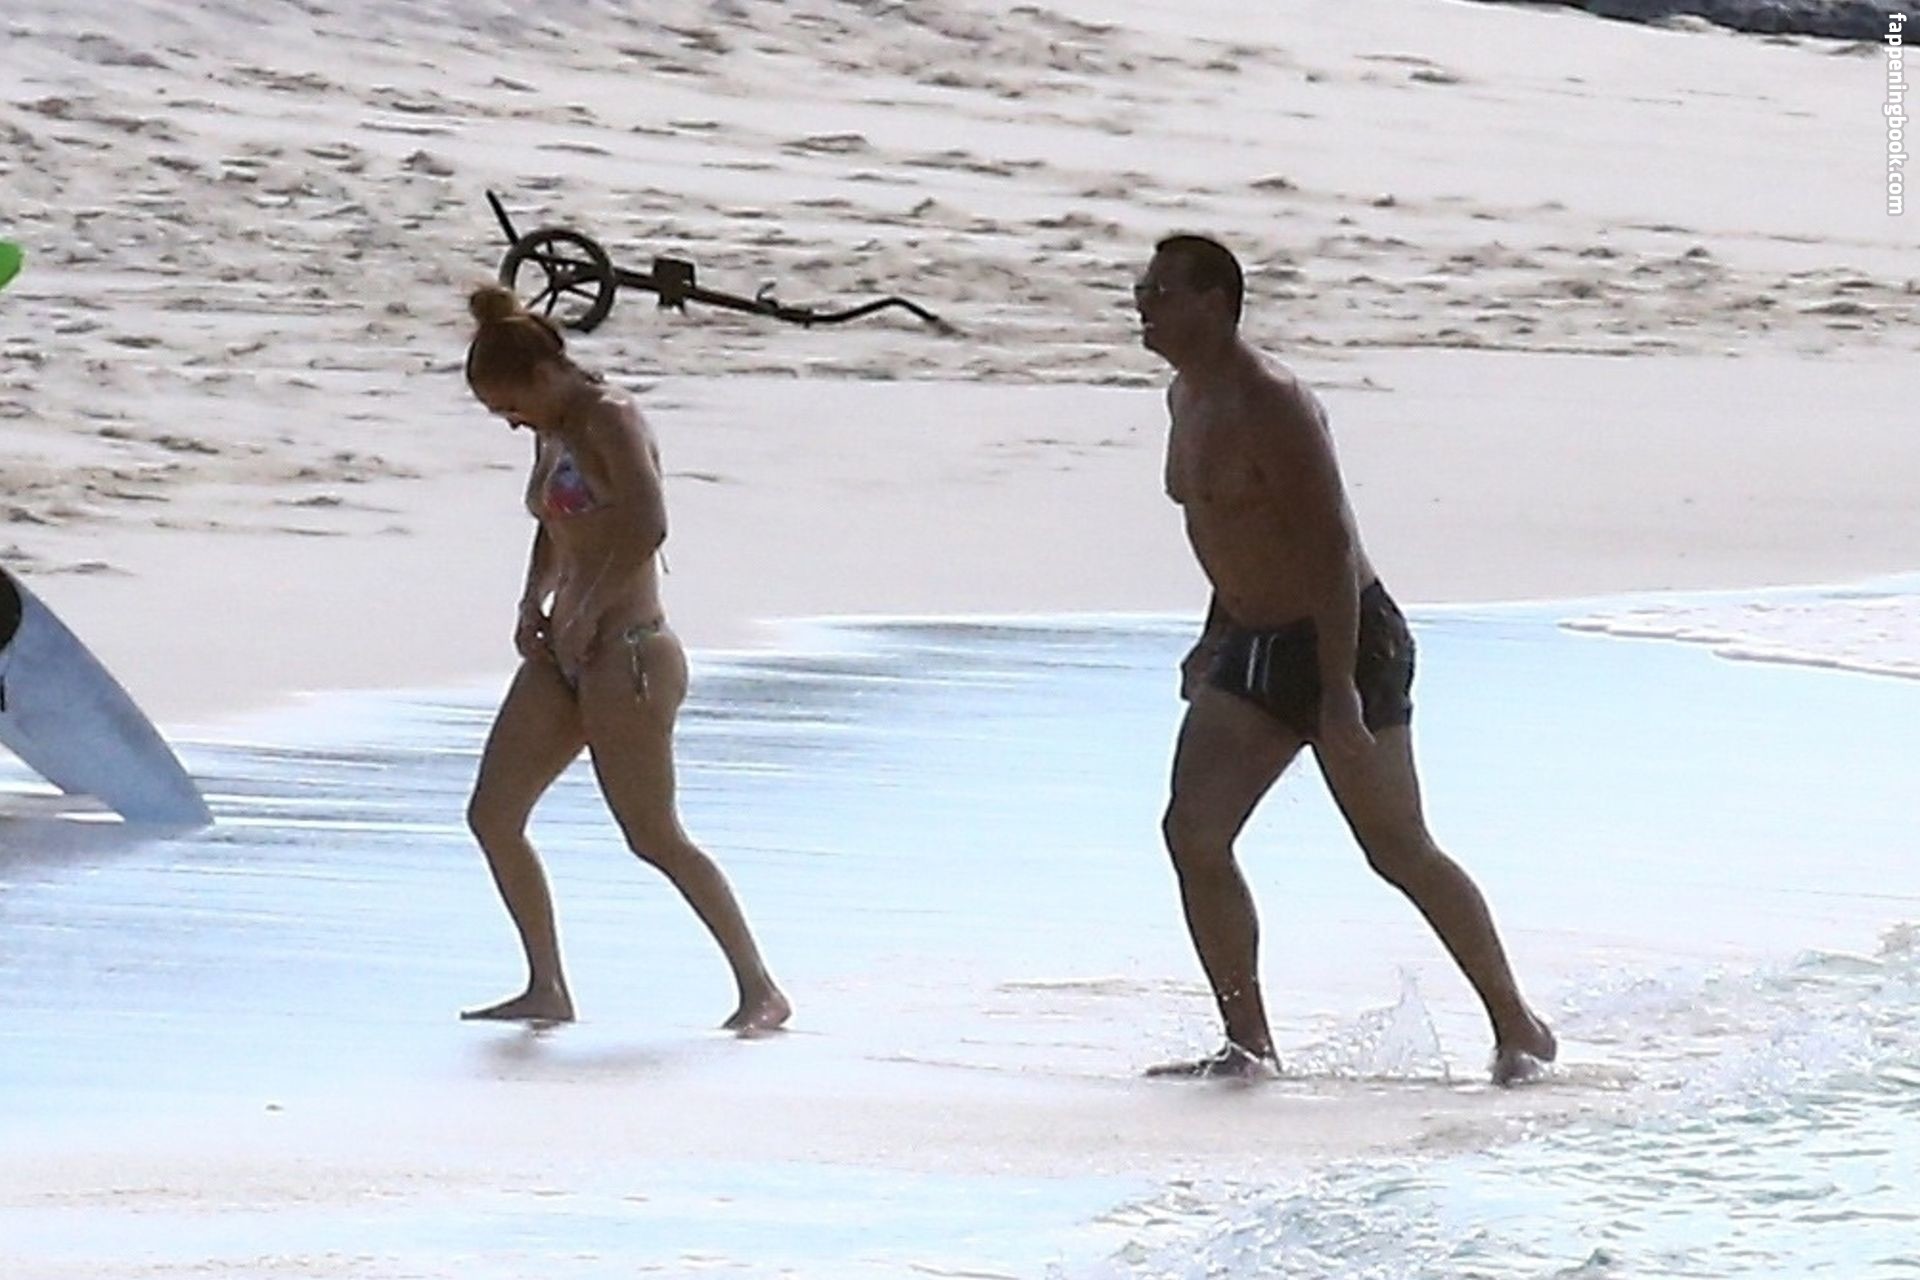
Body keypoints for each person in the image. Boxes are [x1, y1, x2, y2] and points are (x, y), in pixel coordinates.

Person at [1136, 235, 1555, 1084]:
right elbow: (1226, 529)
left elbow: (1327, 545)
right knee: (1193, 832)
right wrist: (1215, 635)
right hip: (1252, 642)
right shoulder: (1185, 396)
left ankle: (1520, 1027)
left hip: (1348, 641)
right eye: (1141, 291)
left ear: (1215, 302)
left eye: (1160, 292)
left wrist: (1336, 692)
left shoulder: (1274, 402)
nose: (1142, 306)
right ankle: (1249, 1046)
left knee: (1396, 847)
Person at [458, 284, 789, 1033]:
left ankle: (760, 989)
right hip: (563, 654)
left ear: (544, 376)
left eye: (511, 405)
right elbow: (553, 524)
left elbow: (647, 523)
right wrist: (533, 602)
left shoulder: (611, 418)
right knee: (493, 815)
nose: (510, 421)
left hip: (629, 652)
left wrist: (592, 608)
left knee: (652, 835)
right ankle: (546, 985)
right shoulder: (553, 429)